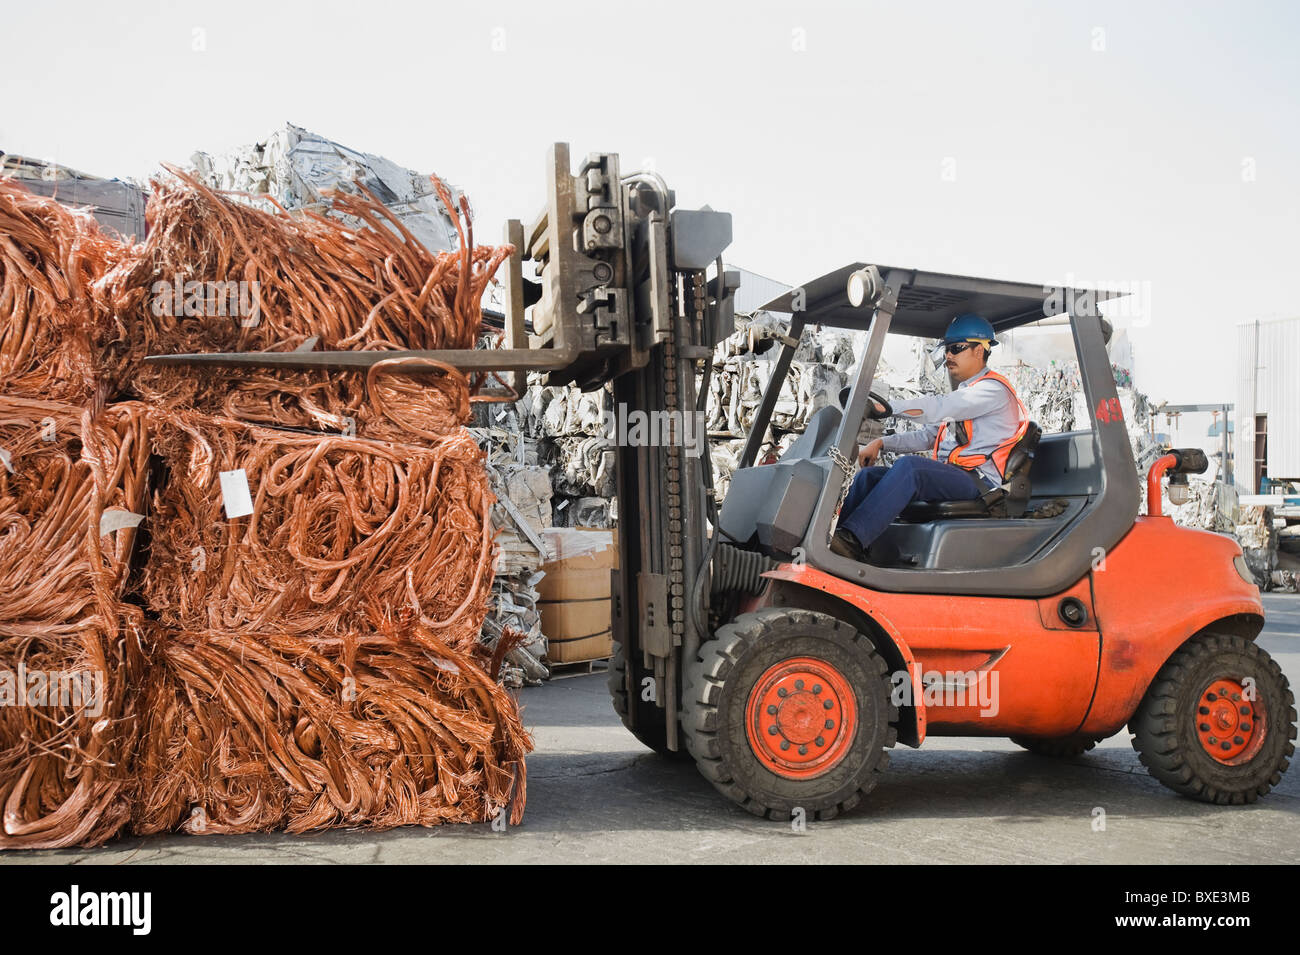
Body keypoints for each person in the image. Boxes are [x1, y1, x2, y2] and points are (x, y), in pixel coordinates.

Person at [829, 313, 1030, 564]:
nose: (948, 356)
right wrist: (881, 443)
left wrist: (886, 408)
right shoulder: (967, 393)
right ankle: (830, 536)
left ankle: (853, 542)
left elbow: (937, 407)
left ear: (980, 350)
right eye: (947, 349)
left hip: (980, 483)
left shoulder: (991, 390)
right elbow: (929, 435)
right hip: (956, 477)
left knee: (911, 468)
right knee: (870, 476)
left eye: (956, 348)